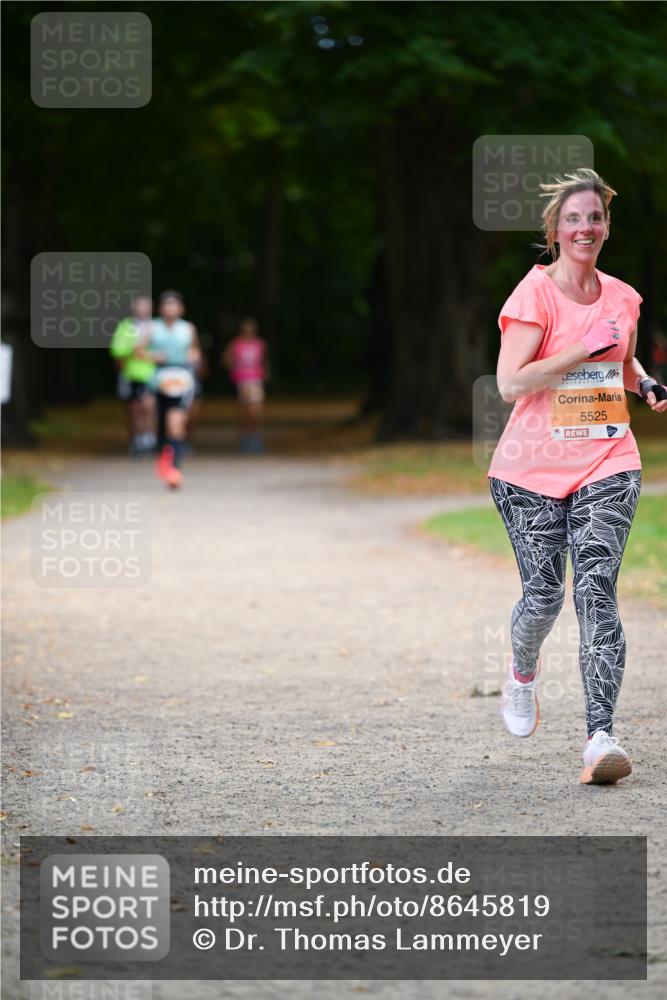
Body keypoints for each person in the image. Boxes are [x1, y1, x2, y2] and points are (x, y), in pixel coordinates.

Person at [487, 168, 667, 785]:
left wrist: (643, 382)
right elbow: (510, 383)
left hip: (607, 459)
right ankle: (523, 669)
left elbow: (621, 356)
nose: (585, 227)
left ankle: (600, 738)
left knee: (595, 588)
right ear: (556, 231)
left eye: (595, 217)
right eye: (573, 219)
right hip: (530, 470)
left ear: (607, 226)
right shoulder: (533, 294)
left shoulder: (623, 298)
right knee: (544, 596)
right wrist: (580, 347)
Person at [148, 290, 202, 489]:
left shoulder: (188, 328)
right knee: (160, 424)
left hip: (181, 378)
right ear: (160, 309)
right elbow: (138, 351)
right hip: (158, 378)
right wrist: (152, 356)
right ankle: (162, 457)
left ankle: (175, 469)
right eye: (167, 305)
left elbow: (196, 350)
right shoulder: (151, 327)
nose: (170, 308)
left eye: (174, 305)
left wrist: (193, 356)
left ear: (181, 309)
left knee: (176, 423)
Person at [109, 295, 156, 456]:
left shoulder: (156, 326)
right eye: (139, 306)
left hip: (152, 375)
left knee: (149, 407)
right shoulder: (126, 327)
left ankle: (149, 439)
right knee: (134, 409)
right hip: (131, 374)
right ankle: (137, 440)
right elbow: (117, 350)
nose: (142, 309)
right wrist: (137, 346)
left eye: (146, 306)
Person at [222, 317, 269, 454]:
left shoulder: (260, 343)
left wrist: (265, 373)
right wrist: (233, 364)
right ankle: (244, 440)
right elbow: (226, 359)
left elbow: (265, 360)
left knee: (255, 411)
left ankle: (255, 438)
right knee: (243, 412)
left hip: (255, 380)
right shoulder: (236, 343)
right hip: (240, 380)